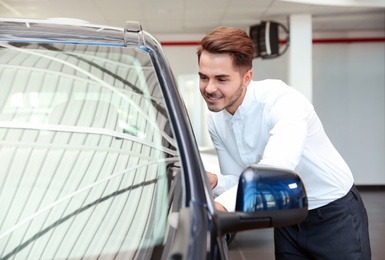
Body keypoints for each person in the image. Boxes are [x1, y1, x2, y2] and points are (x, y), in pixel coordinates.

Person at [197, 26, 371, 259]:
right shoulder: (215, 120)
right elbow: (243, 182)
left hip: (333, 213)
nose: (209, 88)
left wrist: (218, 209)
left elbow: (276, 171)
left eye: (221, 79)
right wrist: (216, 181)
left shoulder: (283, 102)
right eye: (203, 77)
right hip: (287, 215)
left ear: (247, 78)